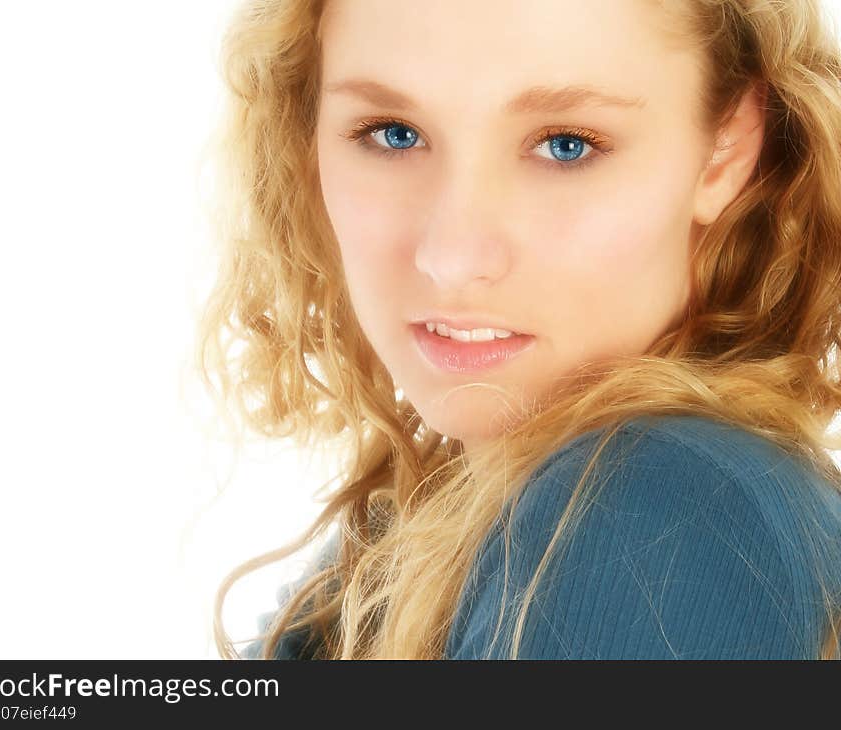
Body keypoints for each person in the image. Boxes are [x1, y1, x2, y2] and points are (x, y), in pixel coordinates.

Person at [197, 0, 841, 659]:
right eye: (392, 134)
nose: (451, 257)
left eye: (567, 146)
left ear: (726, 147)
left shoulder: (666, 514)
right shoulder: (416, 532)